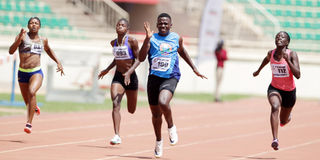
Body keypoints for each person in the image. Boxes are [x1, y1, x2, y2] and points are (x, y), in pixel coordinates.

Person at [125, 13, 207, 158]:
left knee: (164, 102)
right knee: (156, 115)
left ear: (170, 25)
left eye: (165, 23)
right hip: (154, 79)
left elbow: (182, 52)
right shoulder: (152, 38)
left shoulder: (176, 38)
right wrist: (147, 39)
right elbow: (142, 57)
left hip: (170, 77)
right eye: (160, 23)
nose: (163, 25)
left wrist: (194, 68)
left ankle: (171, 127)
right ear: (157, 25)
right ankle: (158, 142)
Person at [8, 17, 64, 134]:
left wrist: (58, 62)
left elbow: (48, 50)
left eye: (36, 23)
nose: (34, 25)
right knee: (27, 102)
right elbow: (11, 51)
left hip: (36, 72)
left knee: (32, 92)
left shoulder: (43, 40)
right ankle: (34, 107)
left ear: (39, 26)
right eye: (31, 23)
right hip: (22, 72)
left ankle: (29, 123)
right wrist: (19, 40)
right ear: (28, 26)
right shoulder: (21, 37)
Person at [253, 31, 300, 150]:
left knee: (283, 120)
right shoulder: (271, 53)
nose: (279, 38)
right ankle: (275, 139)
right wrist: (258, 70)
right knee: (275, 106)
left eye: (282, 37)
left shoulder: (292, 54)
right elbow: (266, 59)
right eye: (277, 36)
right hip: (274, 88)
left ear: (287, 42)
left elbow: (298, 75)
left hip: (289, 92)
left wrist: (288, 61)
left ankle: (287, 118)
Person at [98, 18, 140, 145]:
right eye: (118, 25)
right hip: (118, 77)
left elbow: (139, 59)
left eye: (123, 25)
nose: (120, 26)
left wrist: (129, 73)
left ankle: (130, 100)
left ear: (127, 29)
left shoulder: (132, 41)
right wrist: (106, 69)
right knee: (115, 104)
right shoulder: (113, 43)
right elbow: (116, 59)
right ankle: (117, 135)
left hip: (131, 77)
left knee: (131, 110)